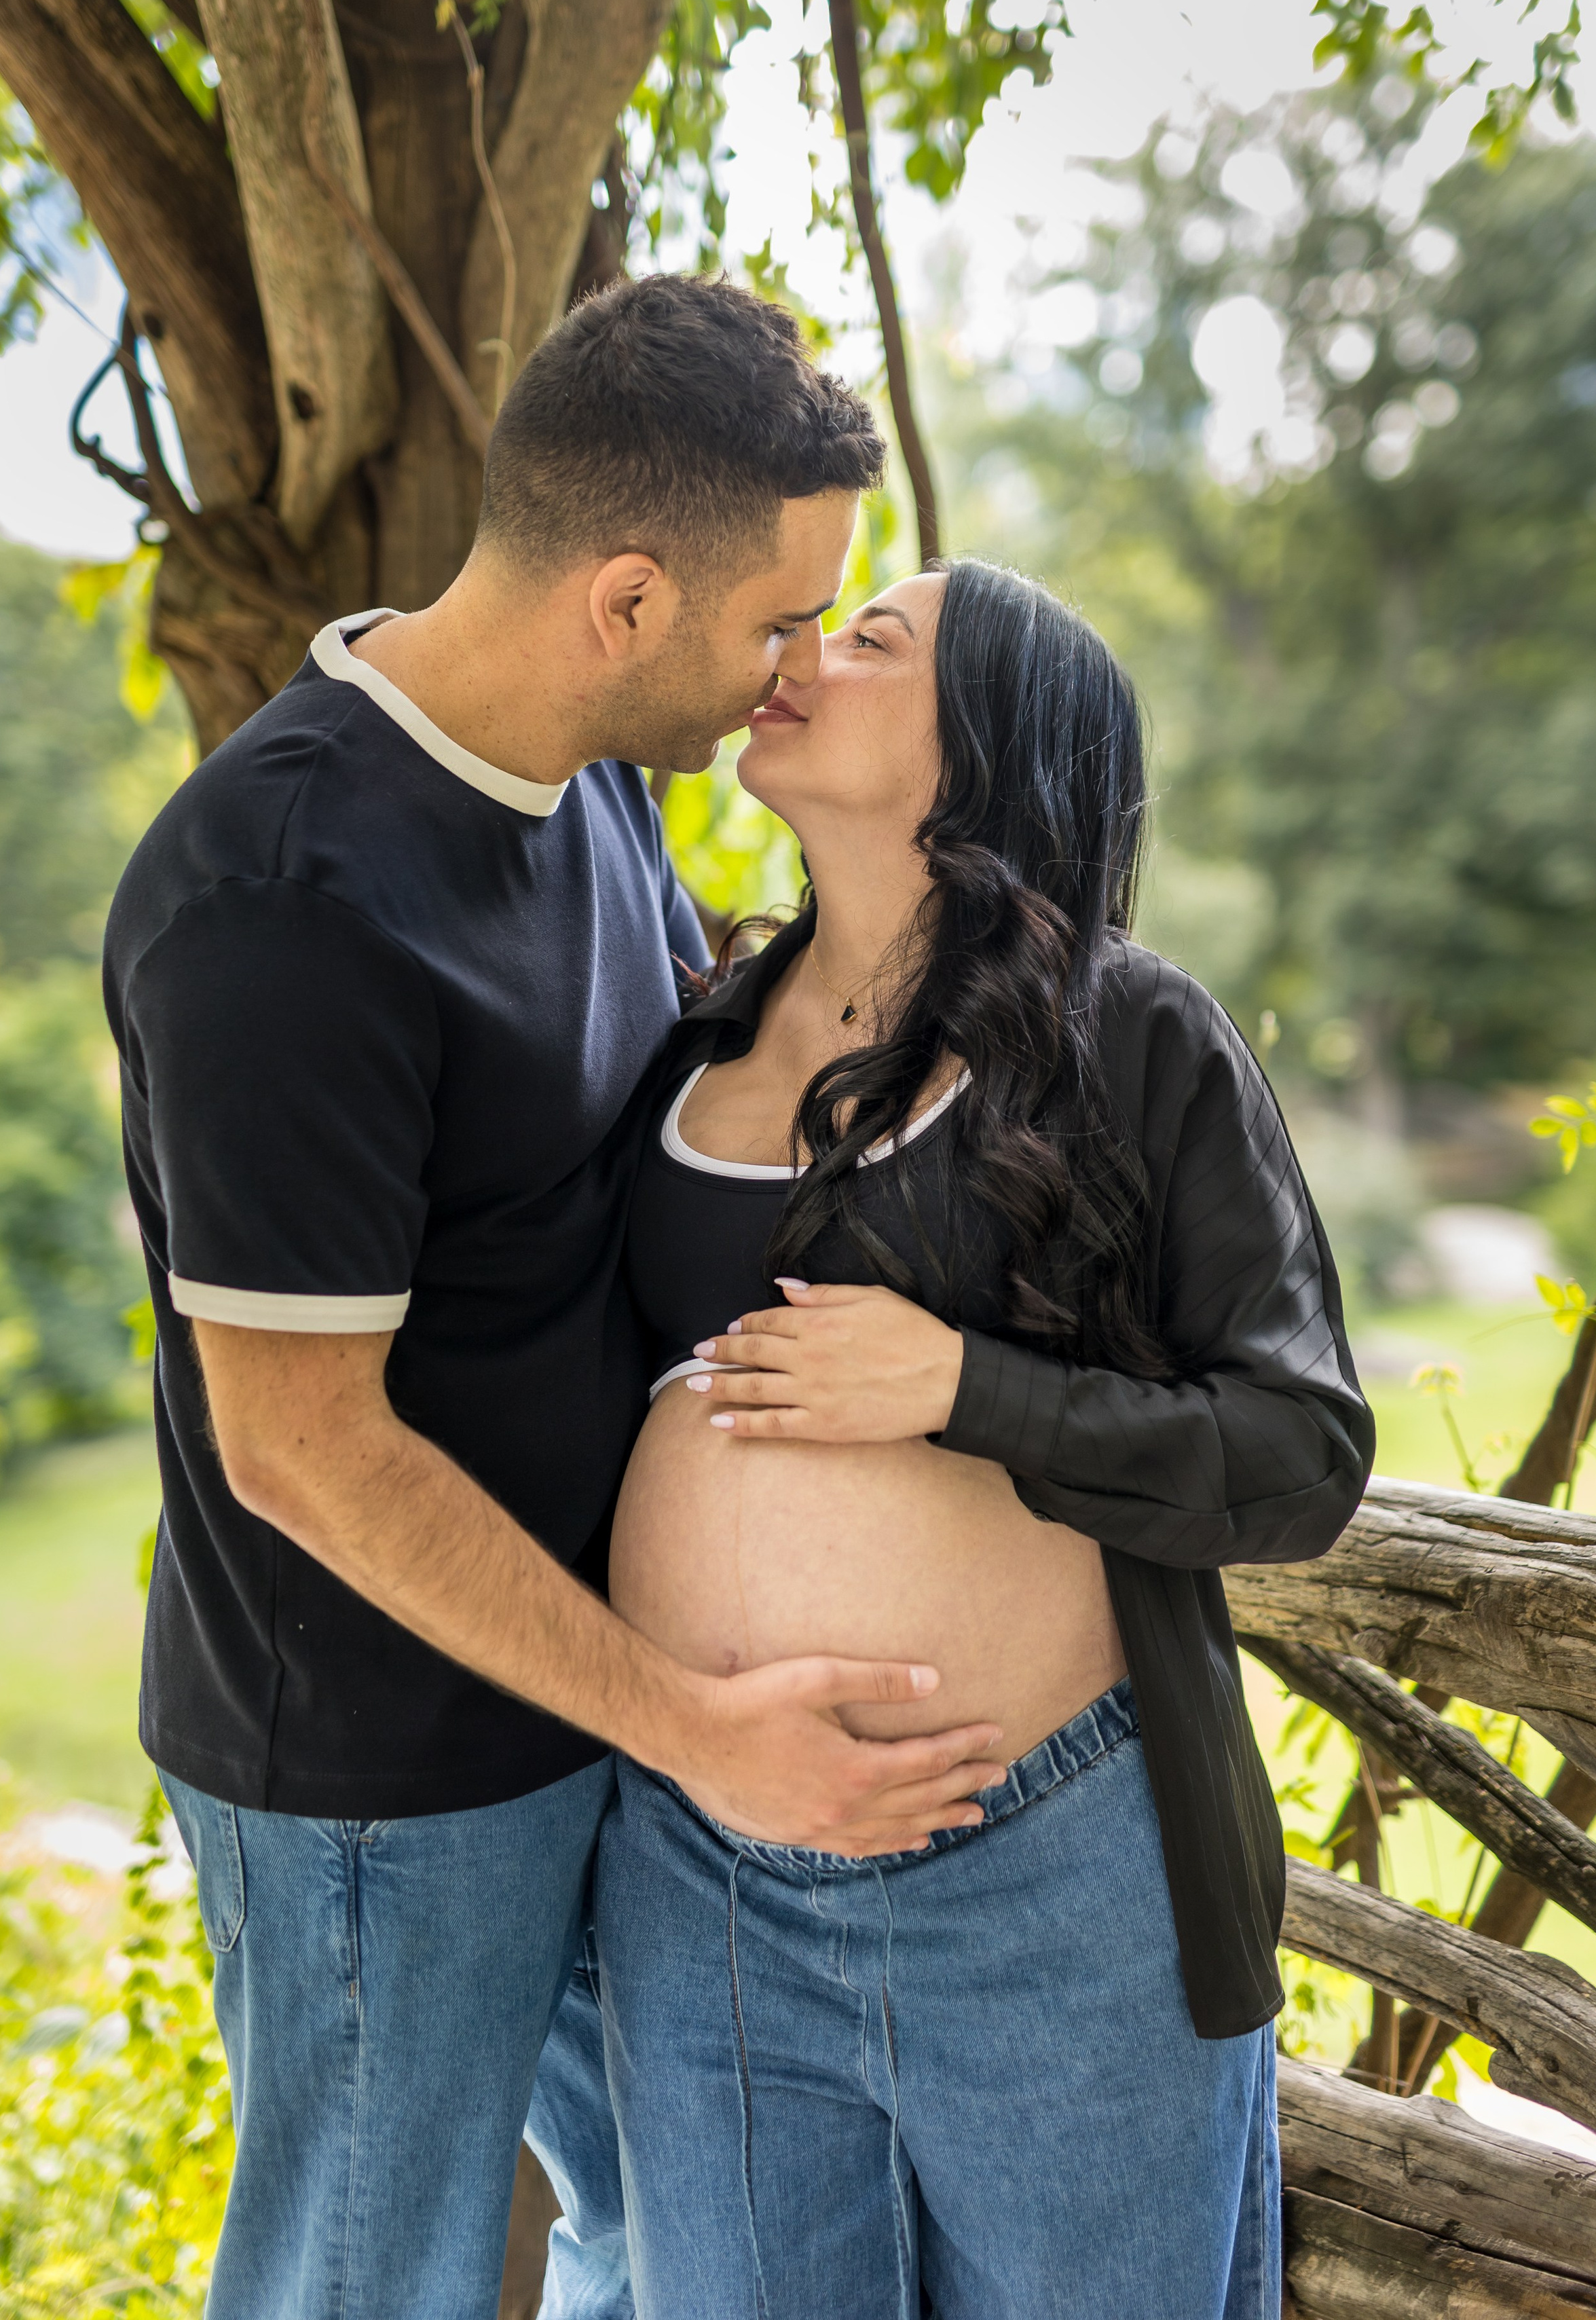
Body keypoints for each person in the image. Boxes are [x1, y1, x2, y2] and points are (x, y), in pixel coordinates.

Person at [101, 279, 1010, 2320]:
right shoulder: (282, 911)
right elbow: (304, 1452)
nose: (789, 678)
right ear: (622, 601)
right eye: (777, 626)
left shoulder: (593, 773)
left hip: (584, 1698)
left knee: (652, 2234)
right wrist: (698, 1731)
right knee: (370, 2283)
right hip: (375, 1776)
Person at [576, 559, 1373, 2319]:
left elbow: (1302, 1451)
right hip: (705, 1867)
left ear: (990, 746)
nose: (803, 647)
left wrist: (961, 1392)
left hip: (1039, 1885)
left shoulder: (1132, 1034)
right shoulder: (691, 1022)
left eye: (873, 639)